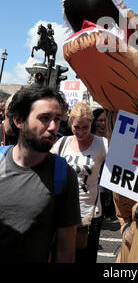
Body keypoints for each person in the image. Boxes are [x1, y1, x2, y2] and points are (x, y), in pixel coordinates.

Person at [0, 84, 81, 263]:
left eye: (58, 119)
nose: (53, 127)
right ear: (19, 121)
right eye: (44, 118)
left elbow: (65, 250)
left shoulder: (64, 175)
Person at [52, 101, 106, 263]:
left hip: (89, 214)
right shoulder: (62, 143)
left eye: (85, 127)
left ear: (91, 124)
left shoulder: (102, 144)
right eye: (77, 127)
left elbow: (122, 165)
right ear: (70, 124)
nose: (81, 132)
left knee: (85, 259)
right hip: (62, 211)